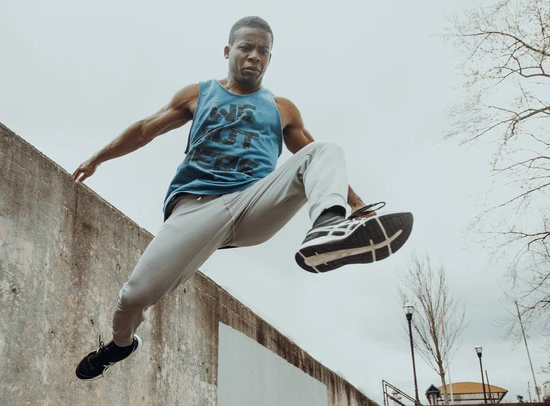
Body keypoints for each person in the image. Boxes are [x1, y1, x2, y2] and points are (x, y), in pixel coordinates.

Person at [72, 16, 413, 380]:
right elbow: (143, 131)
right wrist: (97, 158)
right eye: (246, 48)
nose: (254, 57)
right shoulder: (198, 94)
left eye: (263, 51)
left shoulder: (283, 109)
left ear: (270, 57)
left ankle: (328, 224)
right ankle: (121, 345)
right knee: (133, 297)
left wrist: (356, 204)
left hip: (255, 202)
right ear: (227, 50)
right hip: (197, 208)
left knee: (325, 148)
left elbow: (313, 159)